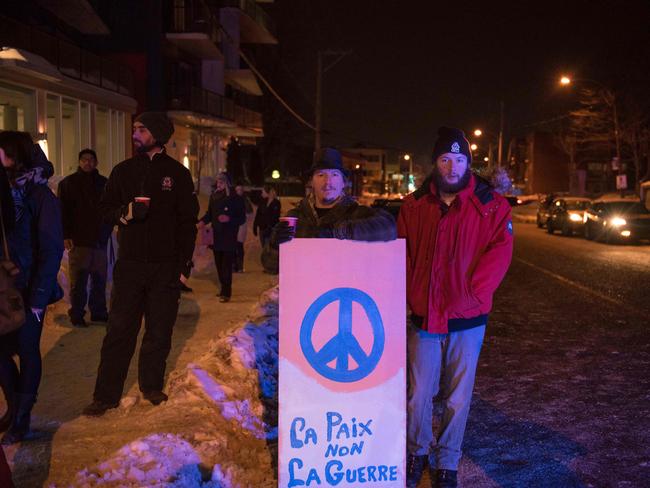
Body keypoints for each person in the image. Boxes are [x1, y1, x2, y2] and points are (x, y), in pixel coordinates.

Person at [398, 127, 513, 488]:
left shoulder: (491, 204)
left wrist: (471, 293)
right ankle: (418, 452)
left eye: (459, 159)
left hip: (468, 318)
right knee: (419, 393)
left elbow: (500, 252)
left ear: (469, 162)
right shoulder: (414, 205)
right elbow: (400, 254)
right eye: (445, 159)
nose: (452, 166)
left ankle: (447, 460)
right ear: (435, 163)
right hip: (425, 317)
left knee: (458, 396)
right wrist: (410, 292)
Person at [82, 112, 199, 416]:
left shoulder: (178, 174)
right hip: (130, 266)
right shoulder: (123, 171)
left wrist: (184, 264)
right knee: (119, 330)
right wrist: (126, 213)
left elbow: (188, 222)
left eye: (142, 129)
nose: (135, 134)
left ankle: (151, 385)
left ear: (158, 134)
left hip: (165, 267)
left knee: (159, 331)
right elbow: (104, 209)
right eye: (134, 129)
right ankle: (105, 395)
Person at [0, 131, 64, 445]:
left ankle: (22, 417)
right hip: (2, 287)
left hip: (28, 290)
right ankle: (14, 407)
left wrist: (39, 297)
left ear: (17, 155)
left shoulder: (40, 196)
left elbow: (51, 250)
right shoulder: (3, 191)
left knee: (26, 351)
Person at [262, 147, 396, 272]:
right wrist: (275, 245)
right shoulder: (296, 218)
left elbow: (389, 228)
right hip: (306, 295)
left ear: (343, 183)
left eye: (335, 175)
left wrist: (341, 232)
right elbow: (270, 266)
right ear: (311, 182)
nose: (328, 182)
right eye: (321, 175)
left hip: (343, 294)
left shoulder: (357, 214)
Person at [57, 149, 112, 327]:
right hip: (78, 240)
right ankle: (77, 313)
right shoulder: (68, 184)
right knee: (78, 281)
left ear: (96, 162)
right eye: (84, 160)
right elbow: (62, 212)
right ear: (79, 162)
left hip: (99, 239)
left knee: (99, 280)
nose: (87, 163)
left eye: (90, 160)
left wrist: (107, 230)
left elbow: (111, 209)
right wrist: (66, 235)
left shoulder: (104, 184)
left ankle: (98, 312)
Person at [198, 173, 245, 302]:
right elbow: (209, 214)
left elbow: (242, 218)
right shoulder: (214, 197)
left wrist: (229, 219)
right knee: (218, 263)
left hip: (229, 236)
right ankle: (223, 287)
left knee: (226, 265)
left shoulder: (235, 198)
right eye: (218, 182)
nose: (219, 185)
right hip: (216, 235)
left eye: (221, 182)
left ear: (227, 183)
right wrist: (201, 222)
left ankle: (226, 292)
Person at [233, 184, 253, 273]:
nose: (239, 191)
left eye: (240, 190)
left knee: (239, 245)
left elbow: (250, 212)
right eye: (237, 190)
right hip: (233, 225)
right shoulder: (232, 199)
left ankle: (240, 266)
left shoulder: (245, 200)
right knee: (233, 246)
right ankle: (234, 265)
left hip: (241, 225)